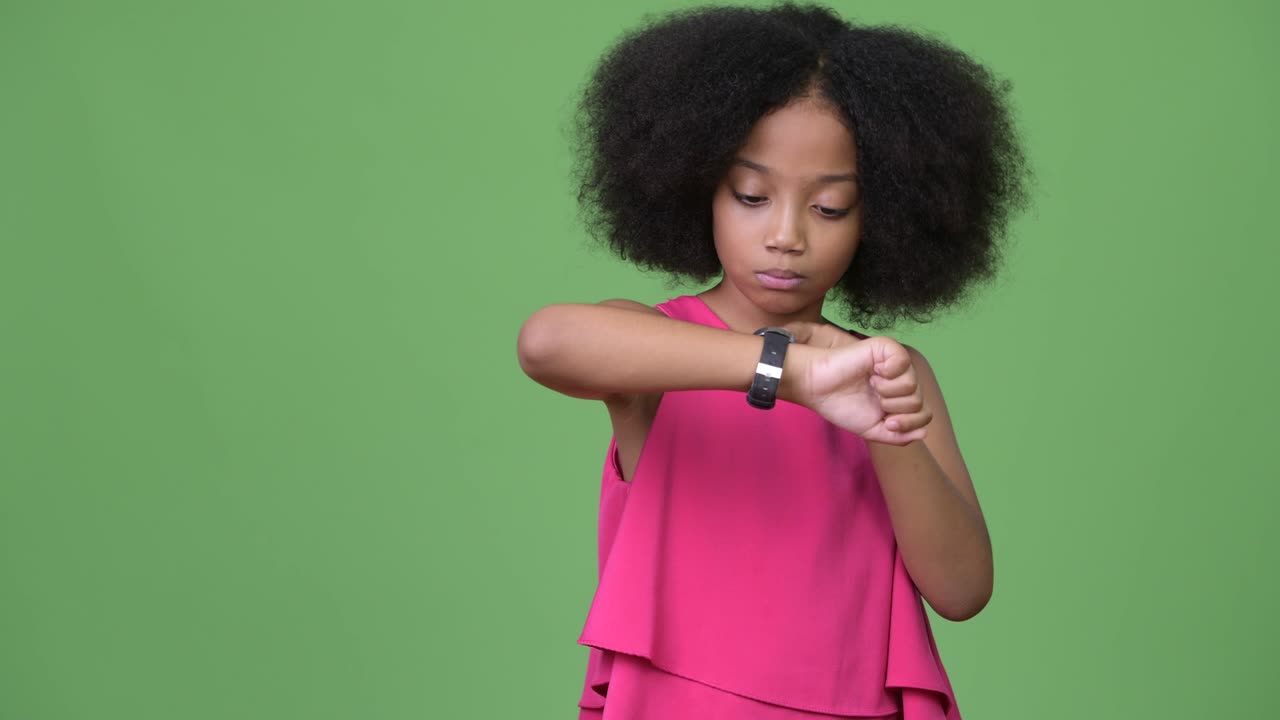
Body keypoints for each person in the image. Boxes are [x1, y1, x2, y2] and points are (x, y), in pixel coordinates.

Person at [517, 3, 1031, 718]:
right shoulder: (662, 351)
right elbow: (545, 343)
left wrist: (890, 432)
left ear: (879, 217)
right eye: (752, 195)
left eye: (830, 208)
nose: (786, 234)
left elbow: (962, 590)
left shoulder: (886, 370)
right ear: (700, 187)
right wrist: (787, 373)